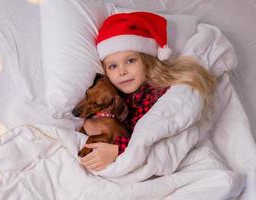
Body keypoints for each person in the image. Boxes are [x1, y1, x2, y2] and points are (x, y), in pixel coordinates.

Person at [79, 12, 216, 171]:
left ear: (146, 61)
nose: (122, 71)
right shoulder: (115, 97)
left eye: (130, 60)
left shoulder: (156, 94)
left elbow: (154, 141)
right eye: (113, 66)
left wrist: (117, 150)